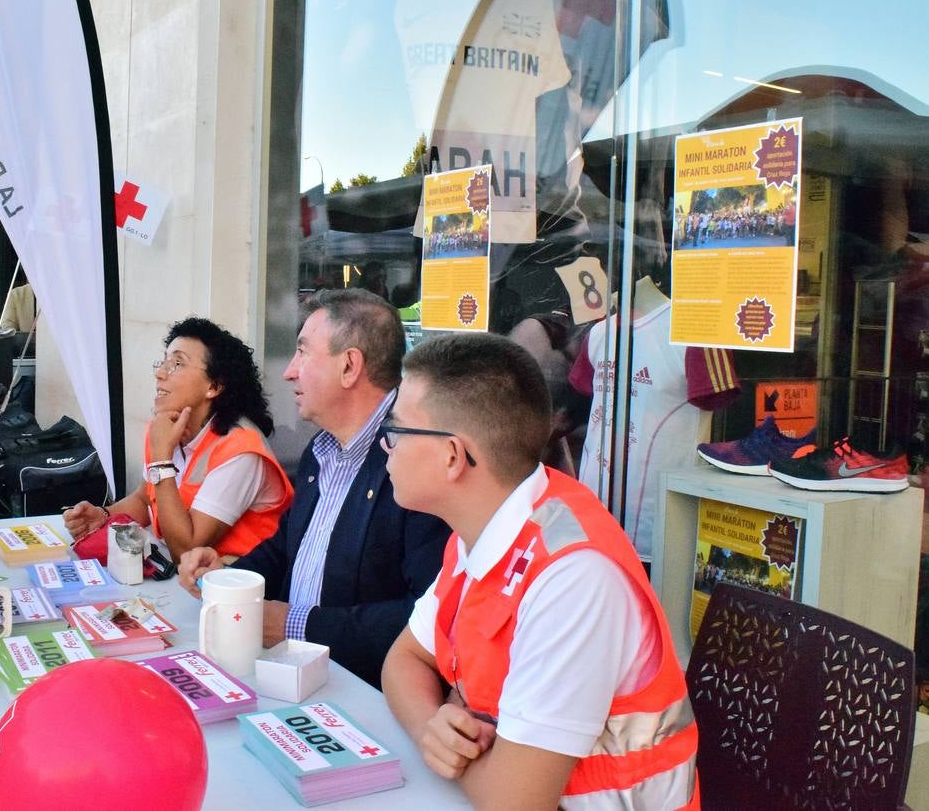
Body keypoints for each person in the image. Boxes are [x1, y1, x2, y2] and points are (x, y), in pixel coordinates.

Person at [381, 333, 698, 809]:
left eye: (398, 430)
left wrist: (456, 732)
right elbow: (403, 660)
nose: (386, 447)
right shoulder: (485, 527)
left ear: (452, 455)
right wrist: (435, 727)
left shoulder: (573, 578)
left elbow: (514, 801)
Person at [179, 289, 451, 687]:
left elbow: (427, 615)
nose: (289, 370)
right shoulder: (321, 449)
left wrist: (295, 625)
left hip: (362, 694)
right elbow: (288, 546)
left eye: (303, 353)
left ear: (349, 366)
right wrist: (229, 577)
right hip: (293, 678)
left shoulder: (414, 459)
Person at [64, 317, 293, 561]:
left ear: (214, 386)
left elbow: (185, 550)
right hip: (190, 581)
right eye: (163, 361)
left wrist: (161, 461)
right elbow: (145, 499)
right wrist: (104, 515)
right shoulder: (168, 427)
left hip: (237, 587)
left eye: (177, 363)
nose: (160, 373)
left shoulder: (241, 451)